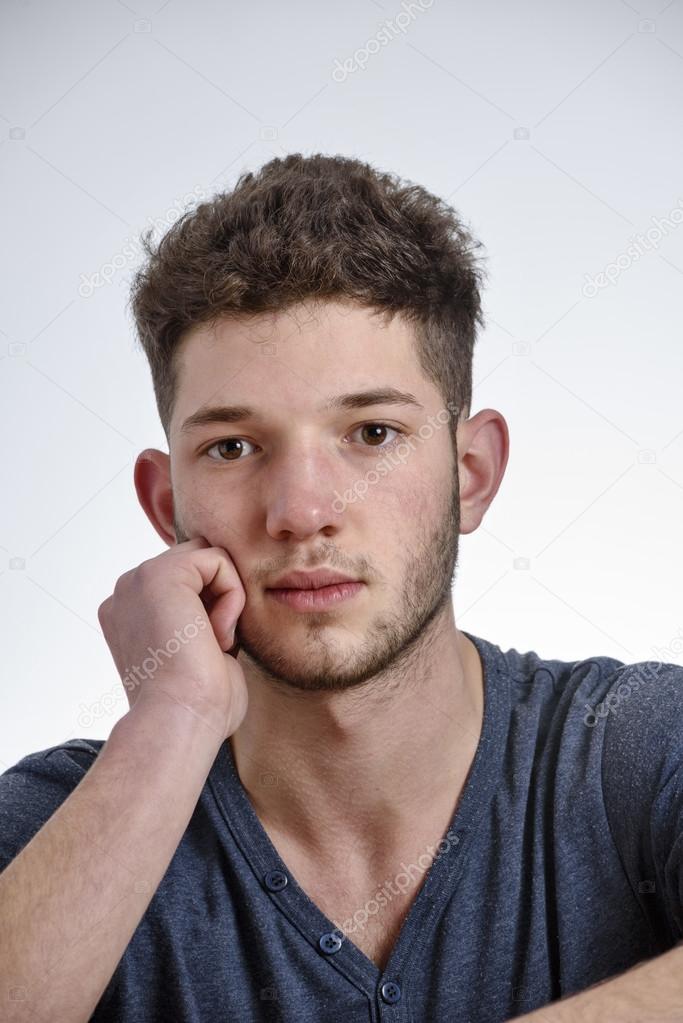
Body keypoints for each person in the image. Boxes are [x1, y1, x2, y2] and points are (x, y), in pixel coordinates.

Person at [1, 153, 681, 1023]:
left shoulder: (626, 750)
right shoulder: (63, 825)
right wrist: (167, 725)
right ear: (166, 504)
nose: (303, 510)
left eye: (370, 431)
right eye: (233, 447)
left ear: (469, 474)